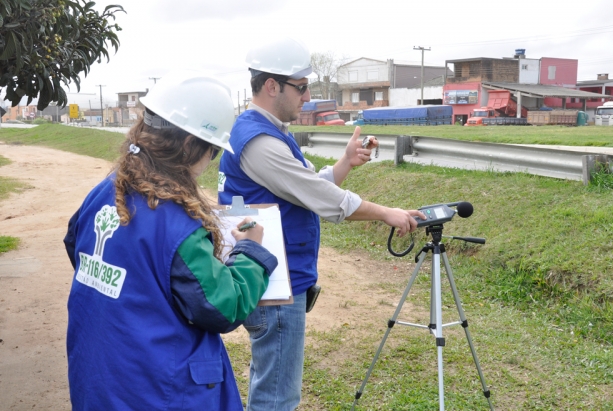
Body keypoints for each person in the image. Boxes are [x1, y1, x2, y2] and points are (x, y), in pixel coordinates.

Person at [218, 37, 426, 411]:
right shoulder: (259, 142)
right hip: (275, 286)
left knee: (269, 385)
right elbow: (317, 194)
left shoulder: (265, 131)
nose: (308, 95)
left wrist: (345, 162)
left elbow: (304, 189)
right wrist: (385, 213)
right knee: (276, 398)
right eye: (301, 87)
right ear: (271, 86)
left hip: (269, 278)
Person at [63, 71, 278, 411]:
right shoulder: (177, 224)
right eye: (212, 152)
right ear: (192, 146)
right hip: (156, 390)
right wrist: (250, 249)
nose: (210, 162)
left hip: (102, 380)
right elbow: (222, 308)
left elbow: (76, 244)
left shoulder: (107, 190)